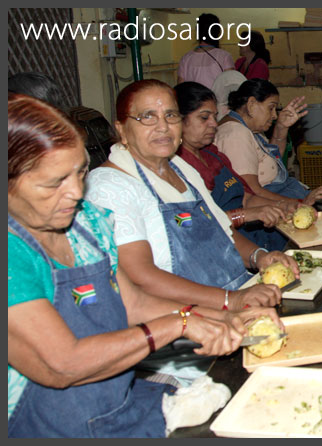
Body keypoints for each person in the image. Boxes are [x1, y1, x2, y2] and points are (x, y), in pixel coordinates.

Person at [7, 93, 280, 437]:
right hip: (51, 426)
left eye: (79, 173)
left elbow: (132, 301)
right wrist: (179, 324)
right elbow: (62, 365)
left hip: (116, 404)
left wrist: (227, 317)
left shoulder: (86, 224)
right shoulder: (13, 253)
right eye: (54, 182)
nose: (76, 192)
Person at [84, 80, 295, 384]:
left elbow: (223, 232)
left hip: (237, 306)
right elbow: (139, 276)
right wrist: (229, 301)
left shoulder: (183, 170)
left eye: (170, 116)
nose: (162, 127)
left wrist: (260, 257)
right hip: (184, 338)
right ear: (120, 128)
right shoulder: (110, 187)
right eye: (147, 117)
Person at [174, 81, 292, 251]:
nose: (214, 124)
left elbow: (247, 197)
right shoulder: (177, 167)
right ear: (178, 119)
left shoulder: (212, 155)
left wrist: (283, 206)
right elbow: (184, 222)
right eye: (204, 117)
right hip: (219, 246)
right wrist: (243, 216)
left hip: (247, 236)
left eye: (214, 117)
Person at [215, 78, 322, 205]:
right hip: (267, 202)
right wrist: (301, 203)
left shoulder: (248, 128)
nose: (275, 115)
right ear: (251, 105)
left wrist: (281, 127)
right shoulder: (235, 134)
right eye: (271, 108)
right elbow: (252, 192)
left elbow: (272, 162)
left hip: (280, 192)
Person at [177, 13, 235, 89]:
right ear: (217, 32)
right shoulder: (224, 56)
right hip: (217, 100)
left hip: (192, 100)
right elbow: (231, 85)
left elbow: (180, 88)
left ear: (198, 31)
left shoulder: (186, 58)